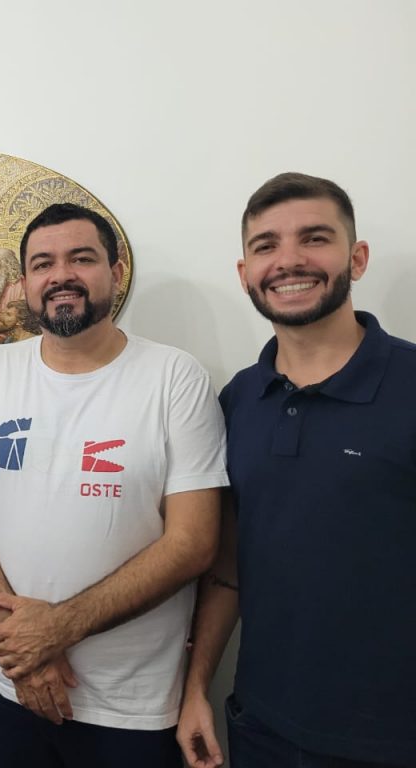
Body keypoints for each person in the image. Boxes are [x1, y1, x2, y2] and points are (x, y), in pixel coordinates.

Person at [0, 203, 227, 767]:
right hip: (2, 678)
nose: (61, 275)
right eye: (43, 264)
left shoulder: (174, 377)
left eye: (81, 258)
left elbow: (193, 542)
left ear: (115, 273)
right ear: (24, 283)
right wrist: (22, 645)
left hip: (128, 703)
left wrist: (58, 628)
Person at [177, 173, 416, 768]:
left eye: (314, 238)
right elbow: (227, 570)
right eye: (266, 246)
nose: (288, 261)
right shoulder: (238, 398)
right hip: (263, 724)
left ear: (356, 258)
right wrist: (195, 688)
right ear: (245, 273)